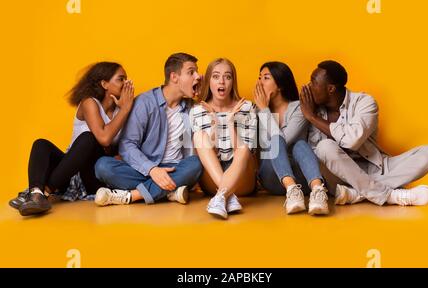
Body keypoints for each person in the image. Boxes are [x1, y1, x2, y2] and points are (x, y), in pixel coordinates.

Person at [301, 60, 428, 206]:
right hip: (337, 177)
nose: (308, 86)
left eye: (313, 82)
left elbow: (351, 141)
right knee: (324, 147)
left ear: (330, 89)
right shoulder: (308, 106)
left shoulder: (365, 103)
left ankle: (356, 193)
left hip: (375, 167)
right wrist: (310, 114)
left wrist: (312, 118)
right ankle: (388, 194)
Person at [10, 62, 134, 216]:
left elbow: (111, 142)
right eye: (121, 79)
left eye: (126, 79)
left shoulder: (124, 110)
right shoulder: (90, 102)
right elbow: (104, 138)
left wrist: (125, 109)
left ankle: (43, 193)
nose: (127, 83)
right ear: (104, 84)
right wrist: (126, 109)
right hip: (69, 172)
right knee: (41, 144)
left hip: (94, 175)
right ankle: (36, 192)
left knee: (89, 138)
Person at [94, 53, 203, 207]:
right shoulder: (145, 102)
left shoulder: (192, 107)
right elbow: (127, 144)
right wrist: (152, 169)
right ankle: (168, 192)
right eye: (191, 72)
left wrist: (203, 94)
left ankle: (132, 196)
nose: (198, 76)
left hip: (176, 169)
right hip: (145, 169)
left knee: (196, 164)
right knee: (103, 166)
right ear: (174, 77)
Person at [254, 61, 329, 215]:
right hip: (271, 178)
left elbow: (284, 139)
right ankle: (291, 190)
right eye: (259, 77)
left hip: (303, 179)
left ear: (280, 84)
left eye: (266, 78)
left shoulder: (300, 108)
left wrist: (264, 110)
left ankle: (318, 191)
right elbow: (271, 144)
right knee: (274, 142)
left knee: (299, 144)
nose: (259, 82)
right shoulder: (255, 110)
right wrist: (262, 110)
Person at [190, 58, 258, 219]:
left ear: (233, 81)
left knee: (243, 148)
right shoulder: (197, 110)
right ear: (209, 81)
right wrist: (214, 122)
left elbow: (247, 154)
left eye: (227, 76)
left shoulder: (247, 108)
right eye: (216, 76)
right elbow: (209, 153)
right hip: (212, 180)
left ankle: (223, 195)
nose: (222, 81)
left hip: (243, 179)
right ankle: (226, 196)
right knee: (199, 136)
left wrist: (229, 123)